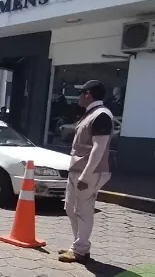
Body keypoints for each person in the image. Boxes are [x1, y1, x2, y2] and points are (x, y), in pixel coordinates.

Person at [59, 80, 113, 263]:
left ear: (88, 94)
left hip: (89, 172)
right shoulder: (91, 113)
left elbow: (99, 148)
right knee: (70, 208)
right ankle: (77, 245)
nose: (79, 97)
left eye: (81, 93)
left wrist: (86, 175)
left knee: (83, 210)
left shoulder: (101, 115)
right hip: (77, 168)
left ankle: (81, 250)